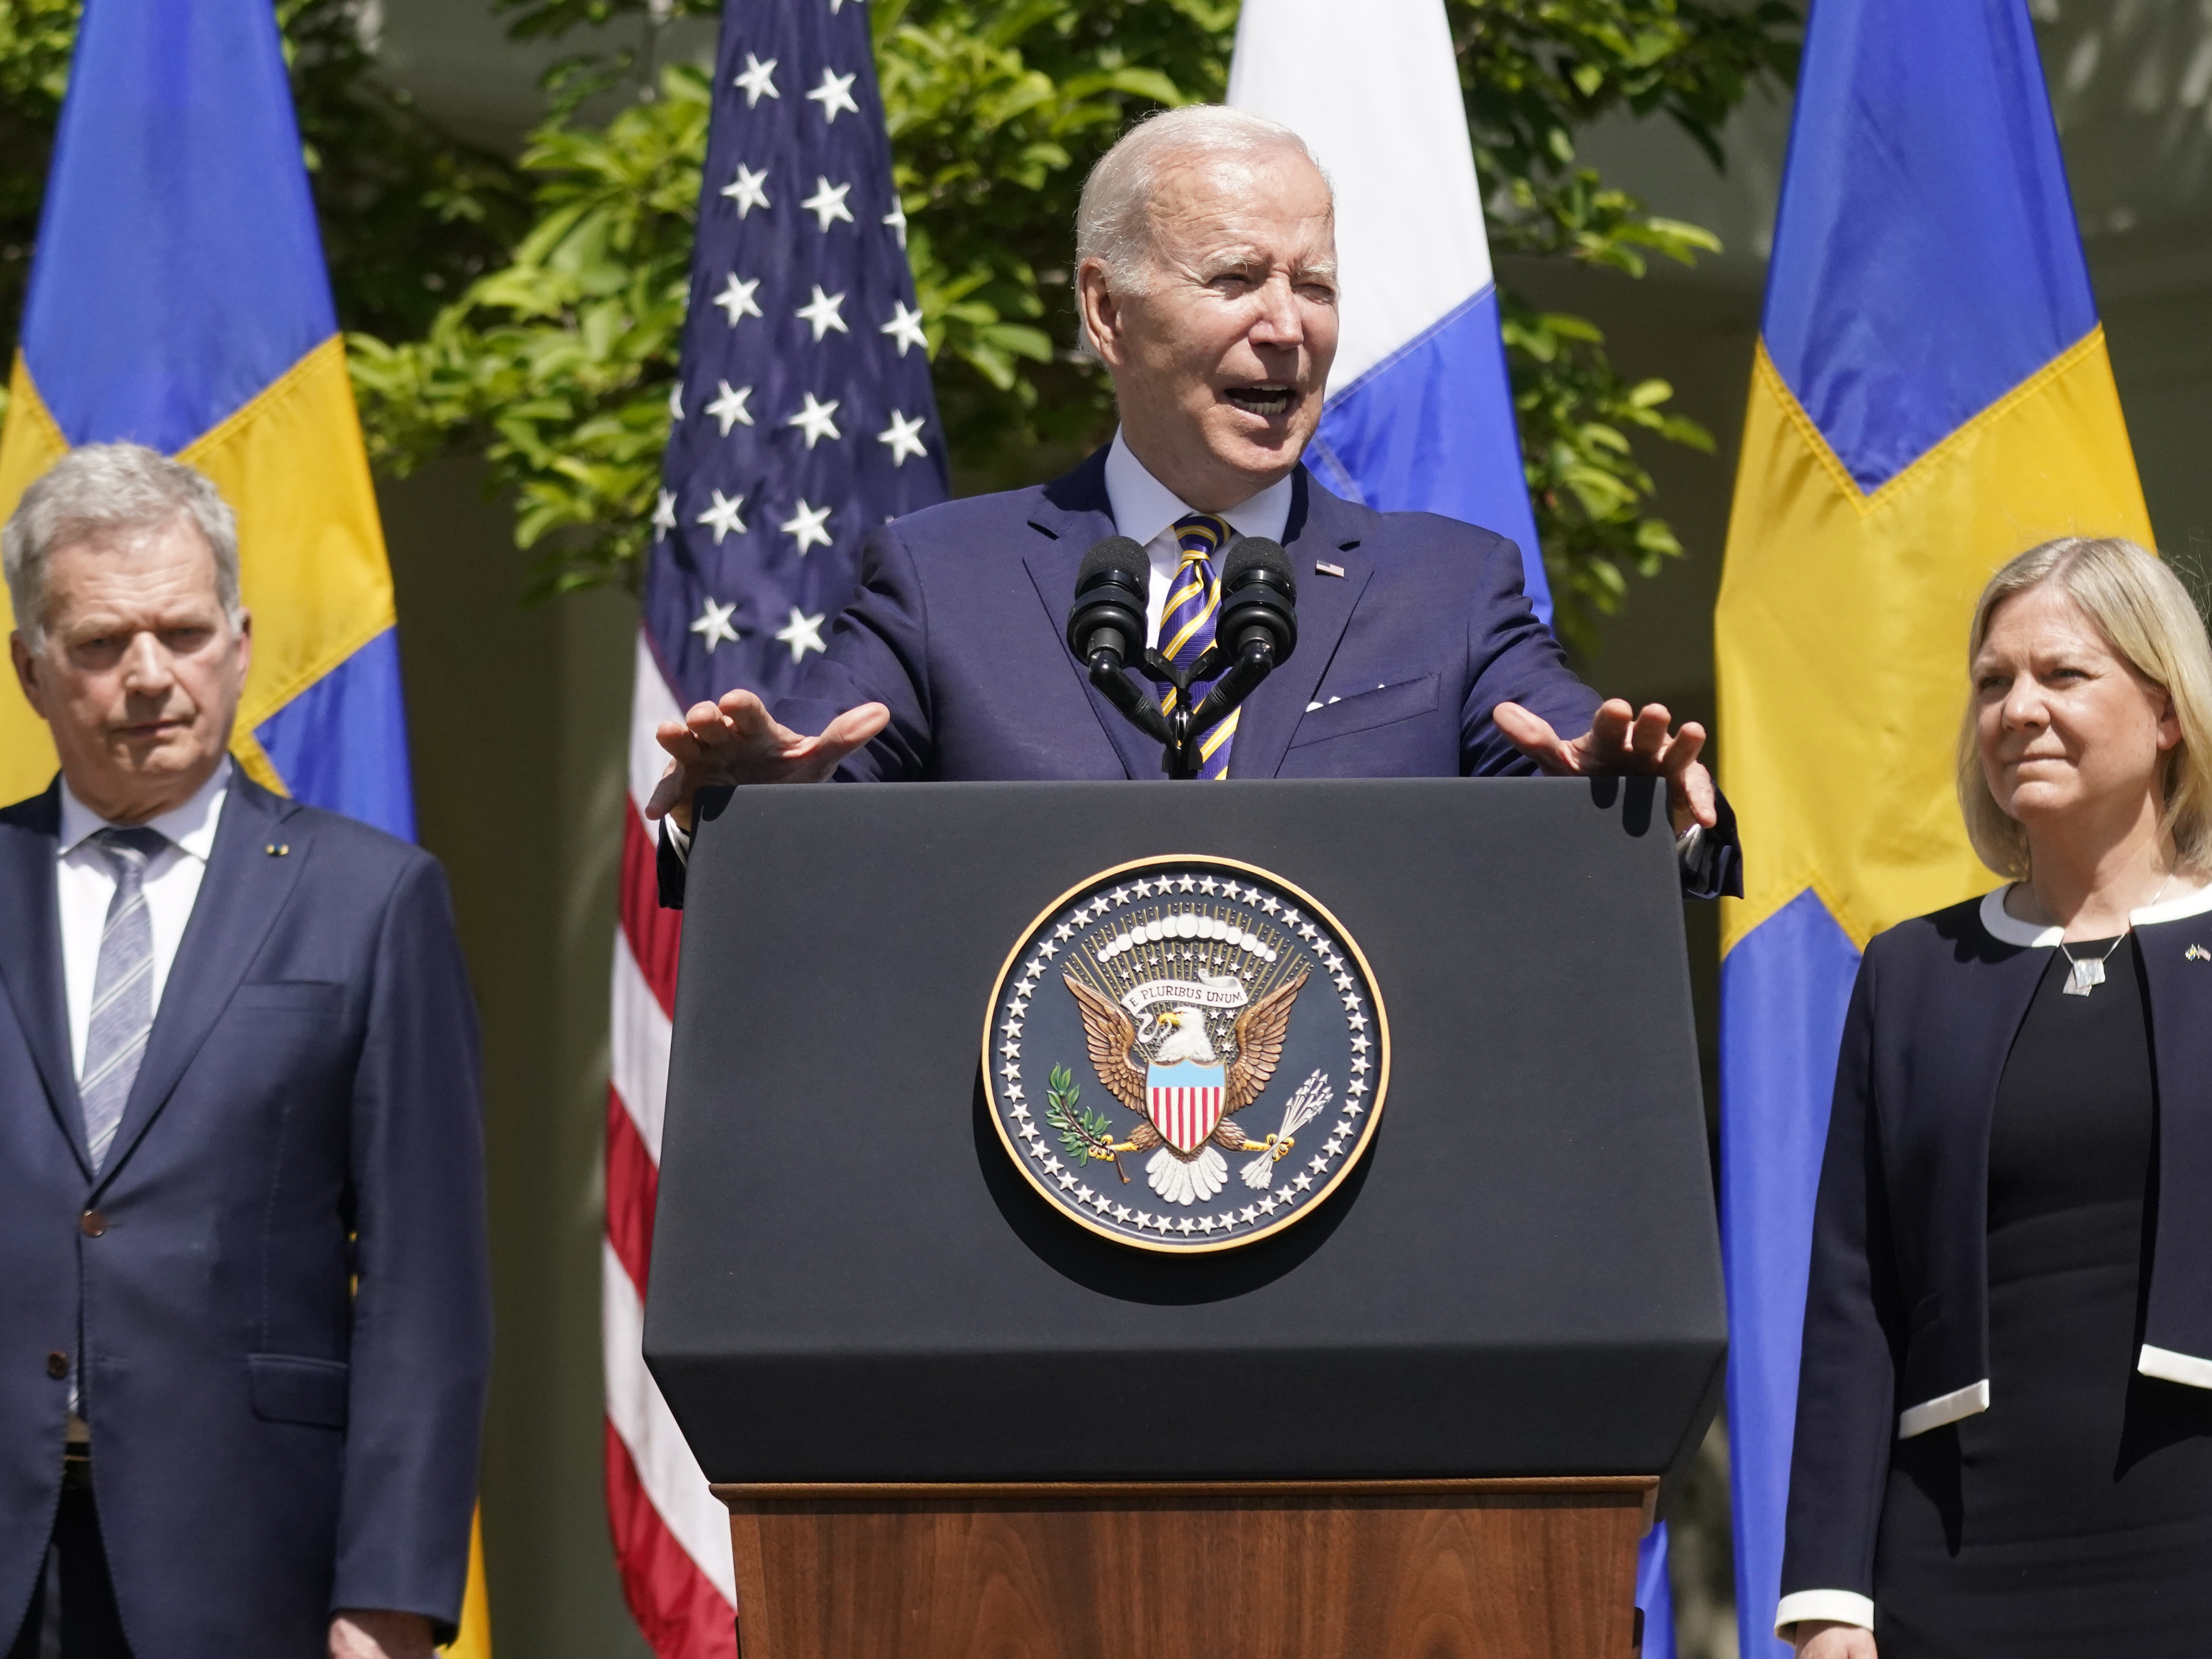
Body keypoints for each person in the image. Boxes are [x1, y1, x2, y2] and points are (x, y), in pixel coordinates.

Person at [647, 105, 1739, 905]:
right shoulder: (947, 580)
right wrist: (744, 807)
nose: (1288, 326)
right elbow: (820, 767)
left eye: (1314, 285)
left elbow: (1555, 752)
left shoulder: (1447, 588)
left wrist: (1631, 803)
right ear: (1107, 309)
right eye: (1236, 279)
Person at [0, 445, 491, 1659]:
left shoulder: (367, 899)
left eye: (180, 630)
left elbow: (427, 1285)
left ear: (239, 638)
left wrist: (391, 1592)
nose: (149, 677)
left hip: (252, 1561)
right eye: (103, 642)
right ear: (30, 668)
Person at [1779, 536, 2212, 1657]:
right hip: (1955, 1564)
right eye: (1992, 682)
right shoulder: (1913, 971)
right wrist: (1829, 1599)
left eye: (2063, 674)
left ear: (2168, 711)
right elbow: (1853, 1294)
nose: (2019, 708)